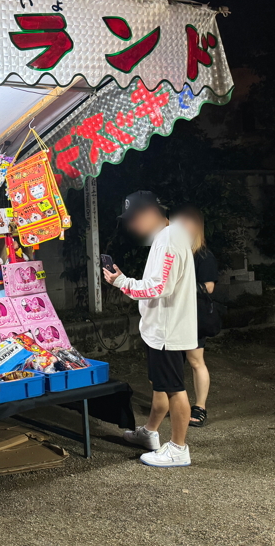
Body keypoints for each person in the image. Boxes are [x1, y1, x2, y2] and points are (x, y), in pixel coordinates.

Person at [103, 191, 197, 467]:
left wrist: (121, 282)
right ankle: (150, 433)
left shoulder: (168, 239)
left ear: (150, 213)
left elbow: (159, 286)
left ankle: (179, 448)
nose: (132, 226)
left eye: (134, 219)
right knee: (161, 385)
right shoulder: (170, 235)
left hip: (167, 330)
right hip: (162, 327)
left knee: (174, 389)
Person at [173, 205, 219, 428]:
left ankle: (200, 407)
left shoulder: (203, 255)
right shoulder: (173, 252)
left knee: (195, 361)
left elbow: (209, 287)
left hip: (193, 316)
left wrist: (181, 287)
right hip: (172, 315)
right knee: (171, 363)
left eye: (187, 222)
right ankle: (174, 403)